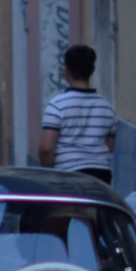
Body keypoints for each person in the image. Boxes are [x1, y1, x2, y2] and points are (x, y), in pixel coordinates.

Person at [39, 44, 116, 184]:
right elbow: (110, 146)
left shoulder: (57, 105)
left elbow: (46, 148)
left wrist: (49, 172)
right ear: (93, 70)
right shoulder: (106, 106)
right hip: (101, 176)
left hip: (68, 175)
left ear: (66, 70)